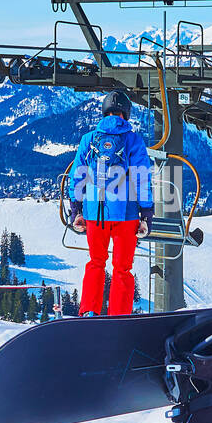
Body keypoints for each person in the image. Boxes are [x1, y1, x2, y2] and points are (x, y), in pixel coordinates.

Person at [68, 89, 153, 316]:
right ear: (126, 113)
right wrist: (146, 213)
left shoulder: (89, 139)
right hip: (126, 215)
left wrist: (76, 209)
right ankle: (119, 316)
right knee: (122, 269)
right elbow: (142, 178)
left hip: (94, 214)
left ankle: (89, 311)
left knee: (96, 262)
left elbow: (78, 175)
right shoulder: (133, 140)